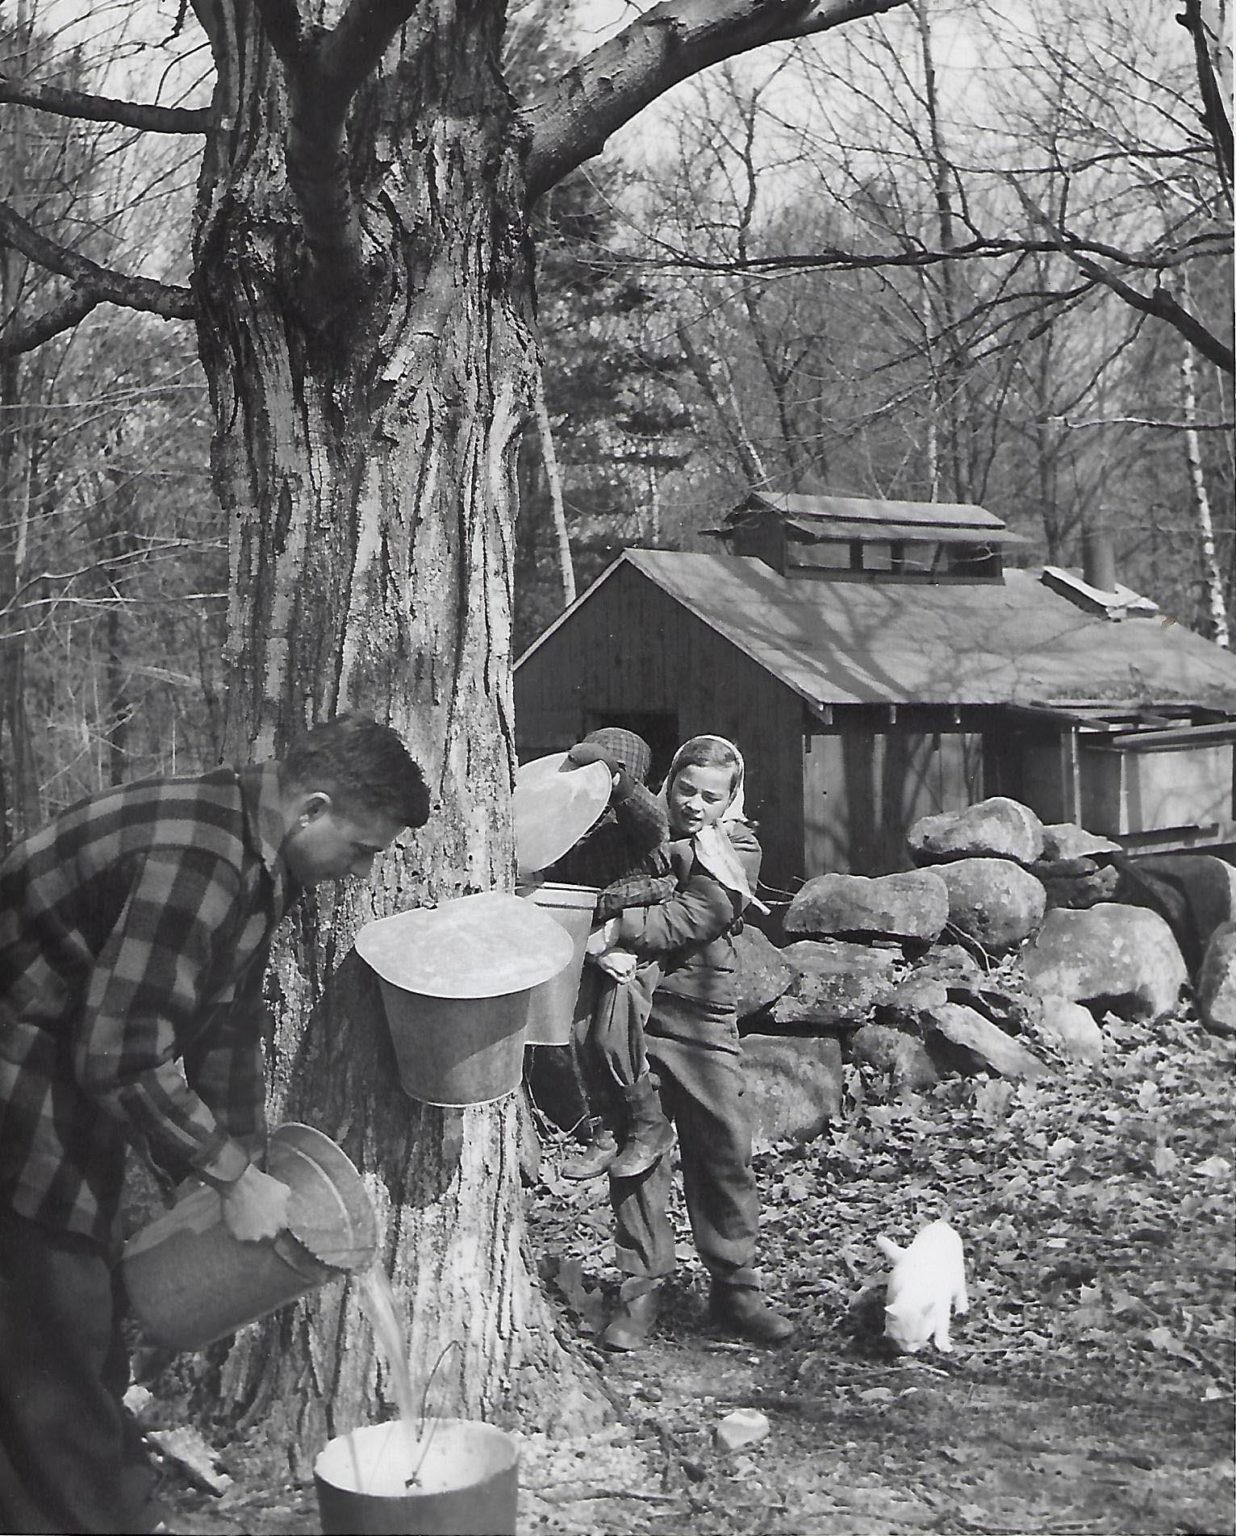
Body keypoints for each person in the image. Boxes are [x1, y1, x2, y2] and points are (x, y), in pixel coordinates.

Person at [0, 712, 430, 1535]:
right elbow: (120, 1054)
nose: (362, 871)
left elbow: (222, 1026)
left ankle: (99, 1506)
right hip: (23, 1077)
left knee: (71, 1324)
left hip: (58, 1067)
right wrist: (229, 1178)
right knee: (59, 1324)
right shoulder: (199, 858)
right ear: (311, 809)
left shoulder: (254, 856)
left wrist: (238, 1159)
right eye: (361, 849)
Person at [588, 734, 795, 1351]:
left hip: (701, 1019)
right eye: (685, 790)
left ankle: (737, 1289)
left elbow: (696, 915)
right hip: (631, 1011)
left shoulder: (737, 848)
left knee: (723, 1149)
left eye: (711, 796)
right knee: (638, 1151)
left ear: (731, 800)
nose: (694, 805)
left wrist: (617, 925)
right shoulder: (633, 836)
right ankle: (640, 1290)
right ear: (669, 783)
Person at [543, 729, 671, 1180]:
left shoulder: (640, 825)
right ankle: (607, 1128)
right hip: (590, 942)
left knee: (612, 1036)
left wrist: (618, 784)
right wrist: (595, 950)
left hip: (636, 941)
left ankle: (648, 1123)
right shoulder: (573, 826)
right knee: (576, 1035)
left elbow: (653, 822)